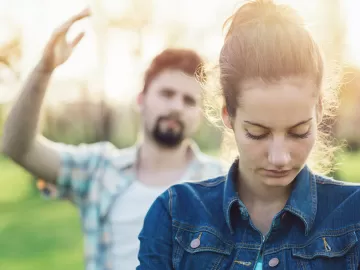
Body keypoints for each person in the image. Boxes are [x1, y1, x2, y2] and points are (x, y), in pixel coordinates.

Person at [137, 1, 360, 269]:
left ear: (320, 110)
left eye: (298, 132)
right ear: (227, 116)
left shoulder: (353, 215)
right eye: (257, 133)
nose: (279, 157)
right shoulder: (175, 215)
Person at [0, 8, 225, 270]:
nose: (176, 106)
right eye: (166, 93)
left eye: (189, 100)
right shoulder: (98, 169)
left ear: (200, 115)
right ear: (141, 99)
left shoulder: (219, 183)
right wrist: (44, 69)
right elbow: (18, 147)